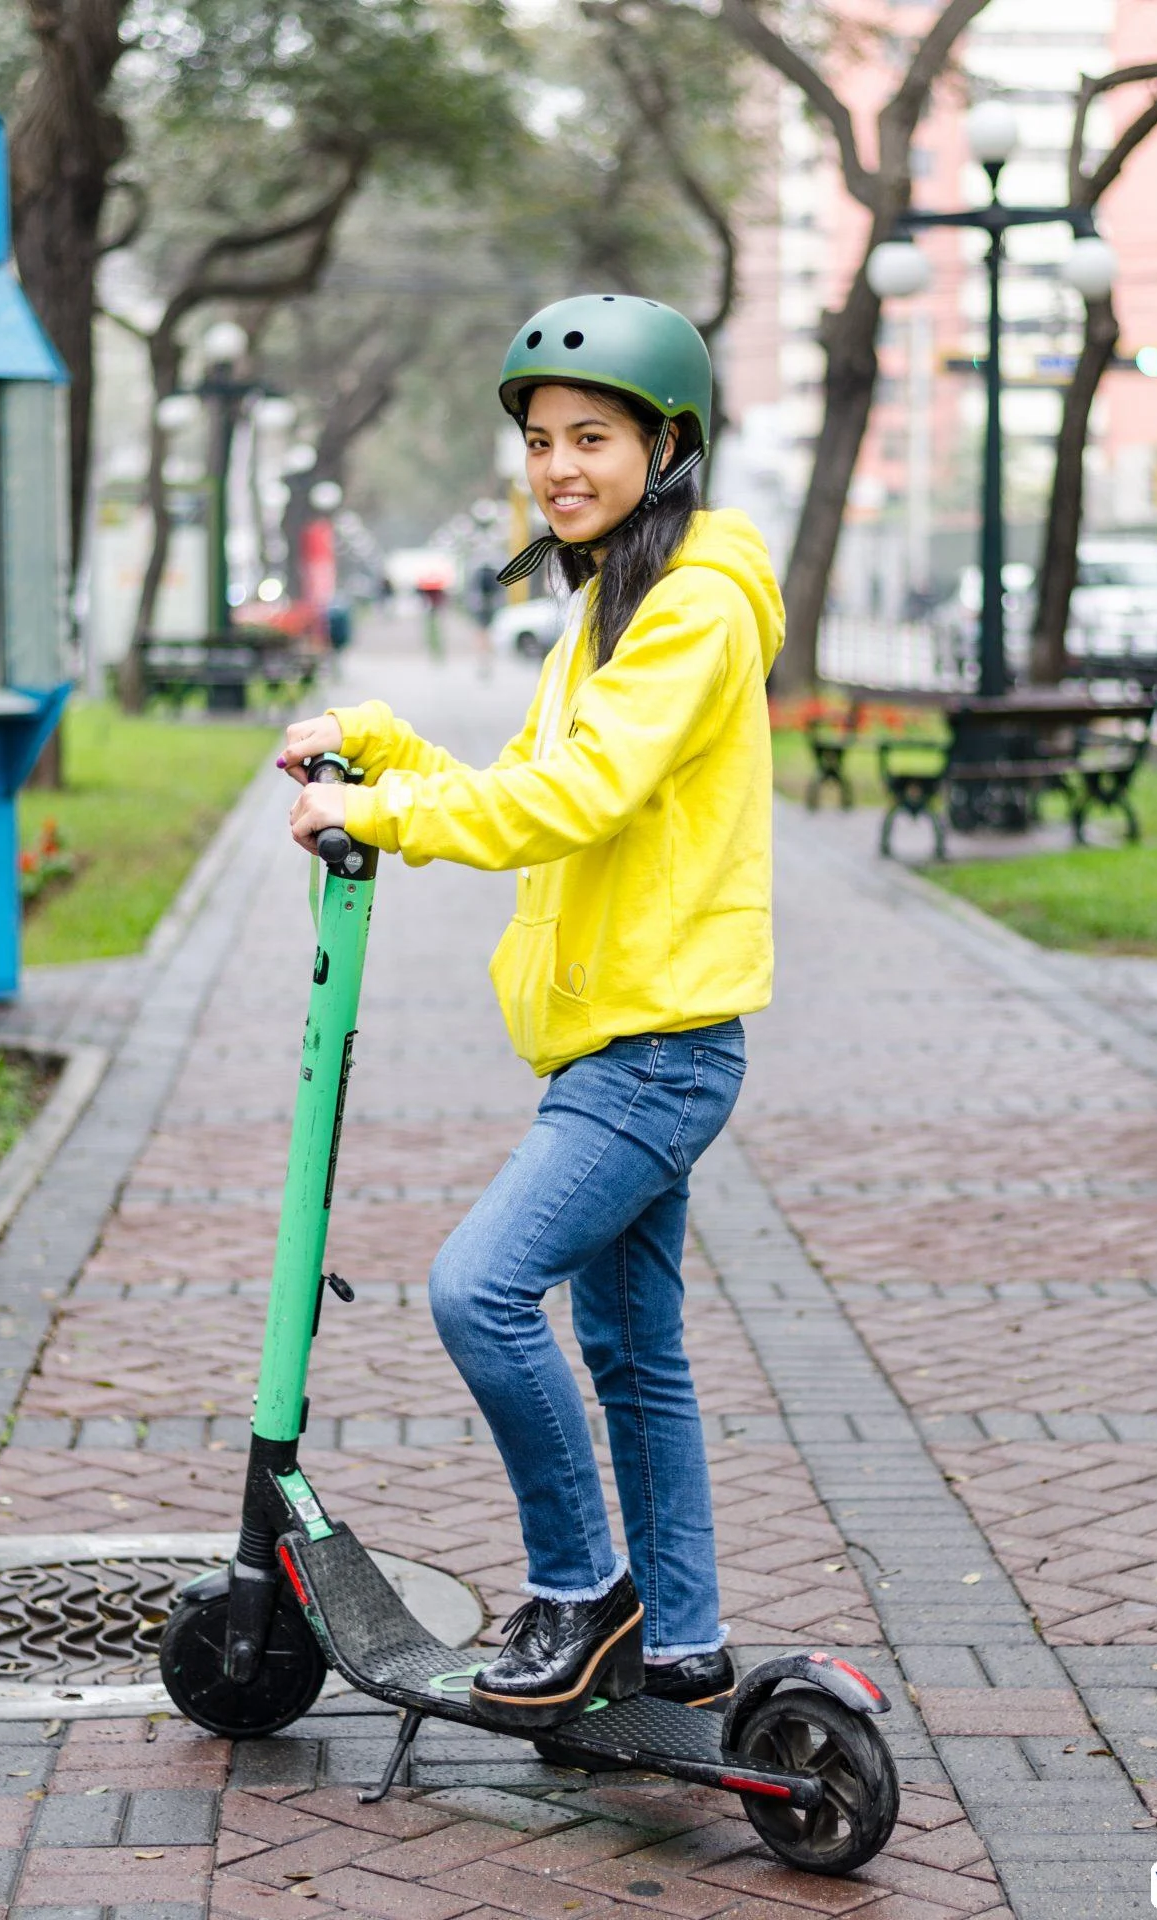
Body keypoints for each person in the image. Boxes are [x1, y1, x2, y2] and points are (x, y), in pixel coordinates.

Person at [279, 295, 784, 1733]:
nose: (562, 465)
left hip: (655, 1048)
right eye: (545, 441)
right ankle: (679, 1639)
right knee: (633, 1353)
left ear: (665, 444)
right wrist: (381, 747)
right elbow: (533, 784)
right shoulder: (615, 598)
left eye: (596, 438)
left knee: (479, 1291)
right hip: (615, 1036)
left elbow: (574, 797)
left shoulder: (689, 606)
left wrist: (378, 811)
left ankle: (583, 1588)